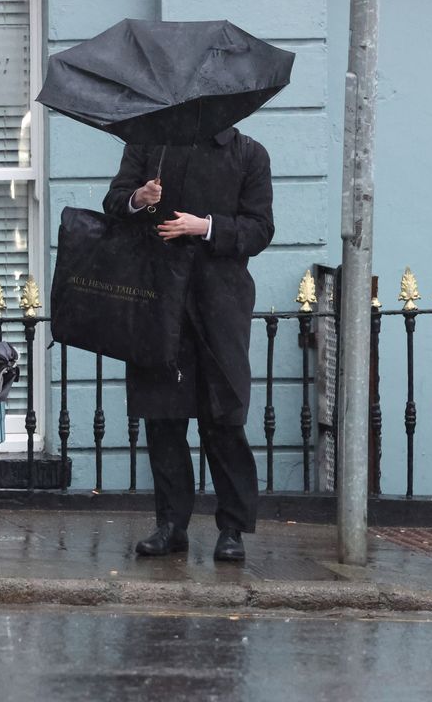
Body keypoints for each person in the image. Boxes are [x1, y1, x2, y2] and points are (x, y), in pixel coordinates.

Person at [104, 128, 274, 562]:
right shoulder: (150, 145)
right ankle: (170, 525)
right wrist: (139, 198)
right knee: (163, 417)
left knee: (224, 417)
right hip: (159, 298)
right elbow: (114, 203)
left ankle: (232, 528)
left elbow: (259, 228)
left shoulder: (248, 153)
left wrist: (206, 227)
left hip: (220, 302)